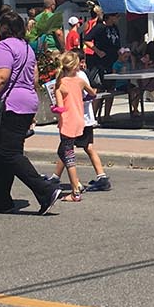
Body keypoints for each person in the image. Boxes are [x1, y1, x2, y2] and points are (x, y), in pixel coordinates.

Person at [0, 9, 60, 214]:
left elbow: (1, 78)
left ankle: (45, 190)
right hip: (27, 101)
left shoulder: (4, 47)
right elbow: (34, 80)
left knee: (8, 152)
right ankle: (1, 199)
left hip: (10, 104)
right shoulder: (27, 48)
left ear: (4, 29)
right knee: (0, 151)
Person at [62, 55, 111, 193]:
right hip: (84, 118)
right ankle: (101, 176)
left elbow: (60, 102)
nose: (83, 65)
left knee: (67, 150)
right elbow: (92, 93)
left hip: (76, 119)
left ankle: (74, 183)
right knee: (86, 147)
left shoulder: (69, 80)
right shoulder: (80, 78)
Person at [52, 51, 90, 202]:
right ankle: (73, 183)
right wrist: (84, 97)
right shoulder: (80, 81)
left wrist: (54, 108)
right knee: (64, 150)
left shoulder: (60, 85)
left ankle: (75, 190)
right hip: (79, 120)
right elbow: (92, 93)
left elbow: (60, 108)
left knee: (69, 156)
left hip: (67, 123)